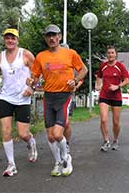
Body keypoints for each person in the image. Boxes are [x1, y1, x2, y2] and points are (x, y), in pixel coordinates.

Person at [27, 24, 88, 177]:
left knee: (58, 133)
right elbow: (34, 76)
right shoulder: (41, 56)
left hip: (63, 96)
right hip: (48, 97)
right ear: (45, 38)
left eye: (54, 35)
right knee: (49, 136)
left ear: (59, 36)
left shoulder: (70, 53)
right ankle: (58, 162)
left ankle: (66, 157)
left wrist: (75, 80)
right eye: (49, 36)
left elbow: (84, 70)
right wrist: (31, 81)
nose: (52, 38)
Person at [0, 28, 37, 177]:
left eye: (13, 38)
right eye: (7, 38)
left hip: (22, 98)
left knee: (22, 133)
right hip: (5, 97)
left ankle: (31, 141)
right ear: (4, 40)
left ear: (17, 40)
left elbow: (36, 74)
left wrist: (31, 88)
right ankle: (11, 164)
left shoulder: (26, 55)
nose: (10, 40)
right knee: (6, 130)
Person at [95, 46, 129, 152]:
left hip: (116, 96)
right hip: (104, 95)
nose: (110, 54)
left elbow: (127, 80)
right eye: (109, 53)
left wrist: (117, 86)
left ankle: (115, 140)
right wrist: (98, 85)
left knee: (116, 122)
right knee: (104, 120)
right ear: (107, 55)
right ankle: (106, 141)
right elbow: (98, 76)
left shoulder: (120, 66)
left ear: (116, 55)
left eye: (112, 53)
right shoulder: (103, 66)